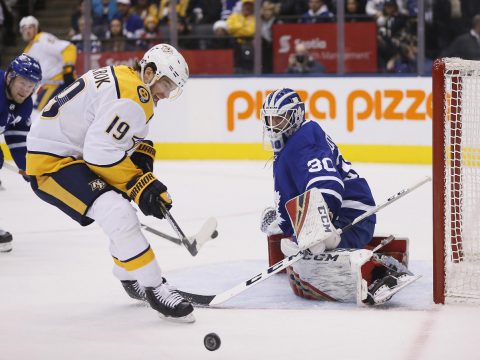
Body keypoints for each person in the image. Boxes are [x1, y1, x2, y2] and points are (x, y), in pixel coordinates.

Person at [25, 44, 194, 323]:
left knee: (119, 209)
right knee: (118, 212)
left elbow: (104, 135)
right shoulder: (136, 95)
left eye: (172, 87)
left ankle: (129, 275)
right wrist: (140, 183)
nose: (165, 93)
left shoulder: (126, 76)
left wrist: (138, 156)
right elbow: (99, 153)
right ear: (149, 72)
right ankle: (155, 287)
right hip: (54, 163)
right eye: (165, 83)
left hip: (69, 153)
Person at [259, 88, 418, 305]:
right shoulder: (295, 144)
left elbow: (327, 183)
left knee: (308, 246)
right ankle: (332, 243)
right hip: (343, 213)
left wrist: (320, 224)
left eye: (279, 118)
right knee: (293, 243)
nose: (273, 126)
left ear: (295, 116)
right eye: (269, 119)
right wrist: (283, 223)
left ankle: (380, 273)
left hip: (350, 217)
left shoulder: (304, 141)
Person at [0, 54, 42, 253]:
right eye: (23, 82)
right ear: (10, 77)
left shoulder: (24, 105)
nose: (26, 89)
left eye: (31, 85)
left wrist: (28, 167)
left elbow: (17, 138)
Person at [19, 15, 77, 111]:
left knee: (39, 114)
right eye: (24, 29)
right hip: (45, 87)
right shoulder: (27, 50)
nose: (27, 31)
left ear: (36, 28)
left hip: (59, 84)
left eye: (30, 27)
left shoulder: (43, 38)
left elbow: (69, 48)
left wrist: (68, 70)